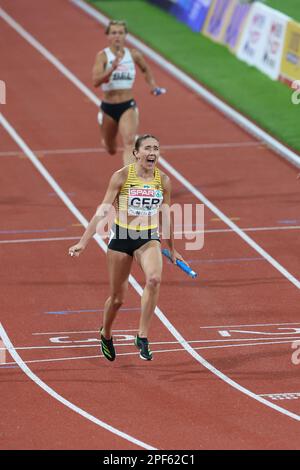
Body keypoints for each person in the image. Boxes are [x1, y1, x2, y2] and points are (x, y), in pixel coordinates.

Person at [69, 134, 186, 362]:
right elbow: (103, 210)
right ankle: (106, 333)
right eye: (148, 148)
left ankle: (142, 336)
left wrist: (172, 248)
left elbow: (165, 215)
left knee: (154, 280)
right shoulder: (122, 176)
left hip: (148, 237)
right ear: (136, 153)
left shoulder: (163, 180)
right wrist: (84, 241)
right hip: (121, 238)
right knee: (117, 299)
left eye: (156, 148)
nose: (153, 152)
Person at [92, 20, 166, 165]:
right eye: (113, 33)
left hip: (127, 105)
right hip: (108, 107)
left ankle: (130, 181)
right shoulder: (103, 56)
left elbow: (145, 69)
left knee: (129, 141)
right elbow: (96, 81)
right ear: (108, 36)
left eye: (120, 33)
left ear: (126, 35)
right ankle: (107, 140)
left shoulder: (133, 55)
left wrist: (152, 85)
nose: (117, 36)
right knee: (111, 148)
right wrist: (111, 69)